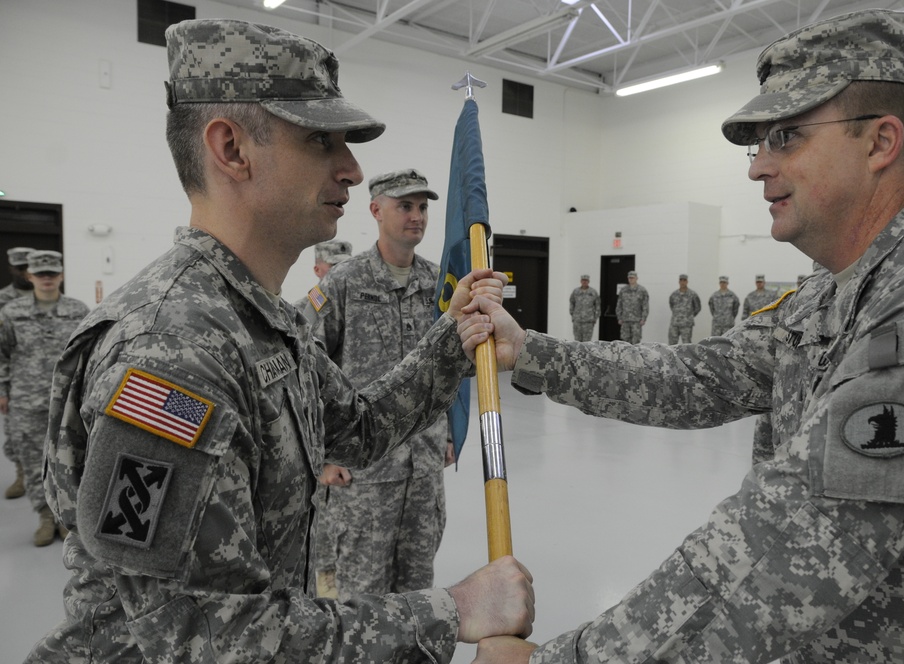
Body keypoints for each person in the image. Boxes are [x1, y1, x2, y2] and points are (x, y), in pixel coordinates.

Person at [462, 9, 904, 662]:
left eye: (787, 137)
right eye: (760, 143)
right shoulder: (825, 293)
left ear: (880, 142)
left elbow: (797, 539)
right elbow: (690, 378)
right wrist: (531, 351)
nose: (757, 168)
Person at [25, 19, 532, 663]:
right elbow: (200, 638)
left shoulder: (261, 319)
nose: (352, 170)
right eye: (322, 140)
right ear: (231, 148)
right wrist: (451, 611)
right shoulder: (171, 352)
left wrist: (452, 338)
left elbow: (360, 427)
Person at [308, 168, 453, 601]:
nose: (417, 216)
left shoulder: (439, 283)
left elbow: (453, 363)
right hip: (364, 474)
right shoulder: (344, 282)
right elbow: (309, 369)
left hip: (423, 469)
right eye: (405, 206)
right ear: (376, 210)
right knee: (363, 595)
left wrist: (450, 434)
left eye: (423, 207)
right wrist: (323, 455)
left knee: (417, 590)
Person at [0, 250, 88, 546]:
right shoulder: (11, 313)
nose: (47, 279)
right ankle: (45, 516)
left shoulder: (78, 310)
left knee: (69, 458)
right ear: (30, 276)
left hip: (68, 400)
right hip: (26, 399)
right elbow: (1, 353)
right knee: (31, 457)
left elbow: (89, 354)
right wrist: (2, 389)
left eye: (52, 274)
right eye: (41, 274)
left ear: (61, 275)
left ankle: (66, 517)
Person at [1, 246, 35, 500]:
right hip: (16, 378)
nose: (24, 273)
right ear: (12, 268)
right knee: (16, 433)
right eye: (19, 268)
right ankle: (22, 473)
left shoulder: (47, 294)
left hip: (44, 376)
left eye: (28, 267)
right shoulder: (3, 300)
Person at [295, 238, 352, 316]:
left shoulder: (364, 306)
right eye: (335, 265)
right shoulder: (300, 312)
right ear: (317, 270)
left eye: (347, 264)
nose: (342, 270)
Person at [615, 270, 648, 344]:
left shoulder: (642, 290)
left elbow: (645, 305)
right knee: (625, 341)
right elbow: (619, 305)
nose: (631, 279)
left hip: (637, 320)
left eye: (632, 278)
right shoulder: (623, 290)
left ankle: (635, 356)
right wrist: (619, 317)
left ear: (636, 278)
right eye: (629, 278)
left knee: (636, 341)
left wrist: (643, 318)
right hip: (625, 320)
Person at [667, 273, 700, 344]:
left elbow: (697, 308)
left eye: (684, 280)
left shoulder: (692, 294)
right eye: (681, 280)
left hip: (687, 324)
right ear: (679, 282)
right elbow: (671, 305)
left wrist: (689, 316)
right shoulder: (674, 294)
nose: (682, 282)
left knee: (686, 345)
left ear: (687, 281)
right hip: (675, 324)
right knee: (672, 344)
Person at [568, 274, 600, 341]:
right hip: (577, 320)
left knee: (587, 342)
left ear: (588, 281)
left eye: (586, 280)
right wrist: (572, 314)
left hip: (588, 321)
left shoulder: (593, 292)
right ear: (580, 281)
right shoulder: (576, 291)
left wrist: (595, 317)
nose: (584, 282)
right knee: (577, 341)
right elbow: (572, 302)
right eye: (583, 280)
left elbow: (597, 305)